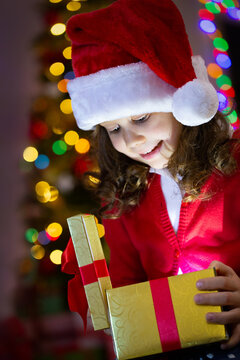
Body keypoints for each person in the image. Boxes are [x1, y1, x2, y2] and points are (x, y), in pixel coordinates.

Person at [62, 0, 240, 359]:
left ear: (181, 102)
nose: (129, 140)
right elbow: (128, 281)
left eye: (141, 118)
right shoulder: (123, 198)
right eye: (113, 128)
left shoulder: (233, 167)